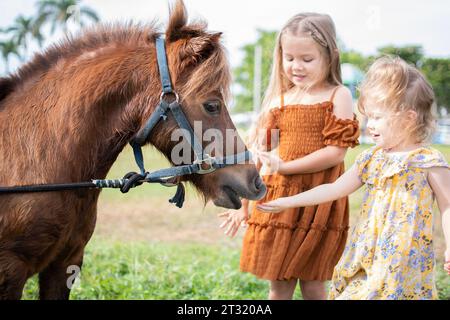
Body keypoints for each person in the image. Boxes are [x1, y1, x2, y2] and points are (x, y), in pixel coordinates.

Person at [257, 56, 450, 300]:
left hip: (405, 263)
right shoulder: (371, 159)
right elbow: (334, 189)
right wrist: (287, 201)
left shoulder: (428, 161)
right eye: (368, 117)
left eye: (377, 117)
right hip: (367, 255)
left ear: (409, 118)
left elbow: (447, 206)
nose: (369, 125)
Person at [219, 13, 359, 300]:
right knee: (279, 284)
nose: (296, 66)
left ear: (330, 57)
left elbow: (335, 153)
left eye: (307, 59)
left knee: (312, 283)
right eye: (290, 57)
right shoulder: (279, 100)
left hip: (318, 200)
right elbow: (258, 157)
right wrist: (242, 205)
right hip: (276, 200)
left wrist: (287, 166)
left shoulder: (337, 95)